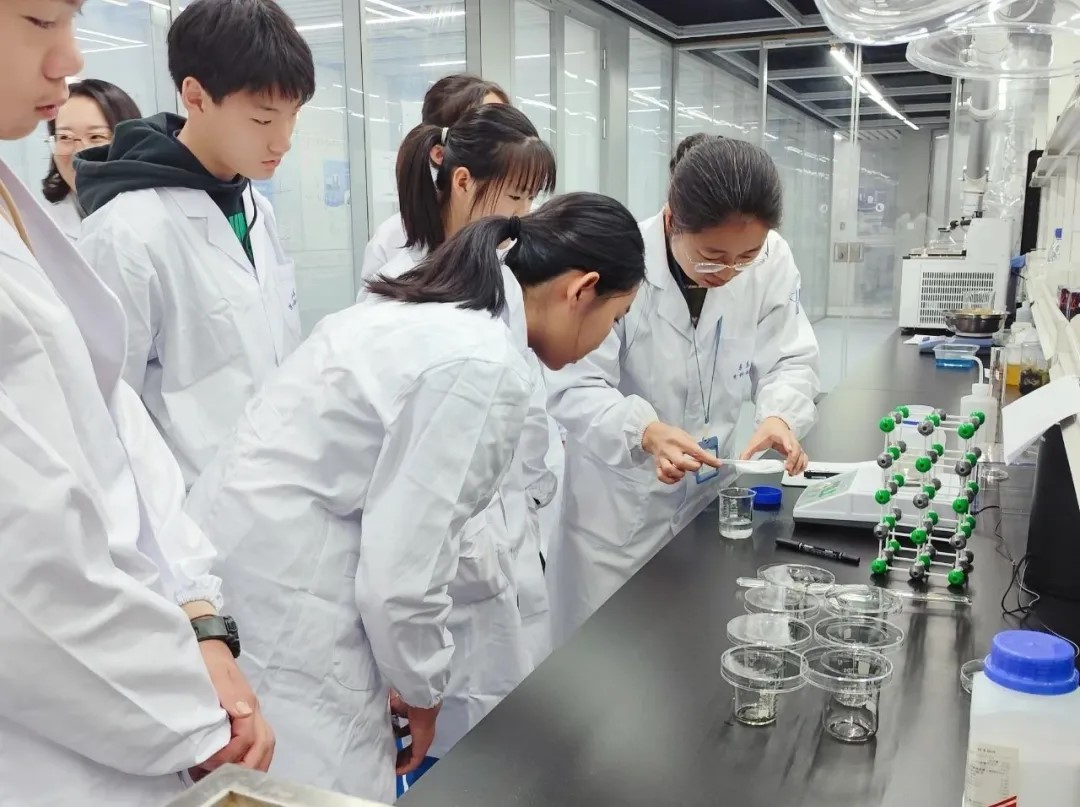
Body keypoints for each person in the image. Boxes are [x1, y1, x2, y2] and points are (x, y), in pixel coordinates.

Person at [183, 192, 646, 802]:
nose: (606, 337)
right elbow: (401, 580)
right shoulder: (483, 363)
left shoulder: (434, 314)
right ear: (581, 290)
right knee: (322, 786)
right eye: (615, 318)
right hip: (292, 611)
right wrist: (424, 690)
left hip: (242, 571)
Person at [0, 3, 273, 805]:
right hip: (73, 714)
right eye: (38, 19)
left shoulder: (13, 210)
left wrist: (197, 615)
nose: (69, 58)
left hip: (163, 608)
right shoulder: (126, 226)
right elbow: (22, 568)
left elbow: (111, 420)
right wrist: (187, 712)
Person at [545, 134, 820, 645]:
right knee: (611, 658)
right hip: (618, 514)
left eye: (746, 257)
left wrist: (780, 414)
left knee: (692, 647)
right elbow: (575, 383)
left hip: (706, 502)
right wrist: (645, 431)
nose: (729, 272)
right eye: (713, 256)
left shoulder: (770, 260)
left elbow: (790, 356)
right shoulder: (621, 260)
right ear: (672, 221)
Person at [361, 103, 559, 768]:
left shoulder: (501, 276)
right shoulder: (402, 280)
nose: (524, 215)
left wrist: (530, 500)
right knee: (442, 747)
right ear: (464, 182)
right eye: (516, 196)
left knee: (503, 729)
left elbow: (522, 406)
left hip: (501, 538)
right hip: (439, 553)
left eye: (533, 198)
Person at [75, 0, 315, 488]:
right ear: (196, 96)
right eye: (264, 120)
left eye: (293, 116)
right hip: (189, 506)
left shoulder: (255, 208)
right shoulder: (127, 231)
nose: (283, 141)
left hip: (277, 491)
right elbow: (101, 412)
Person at [361, 73, 509, 279]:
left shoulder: (521, 227)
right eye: (493, 135)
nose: (511, 146)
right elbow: (372, 299)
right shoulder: (392, 239)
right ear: (440, 154)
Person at [41, 78, 141, 241]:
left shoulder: (161, 213)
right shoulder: (38, 229)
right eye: (65, 137)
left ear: (131, 141)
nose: (79, 152)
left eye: (96, 137)